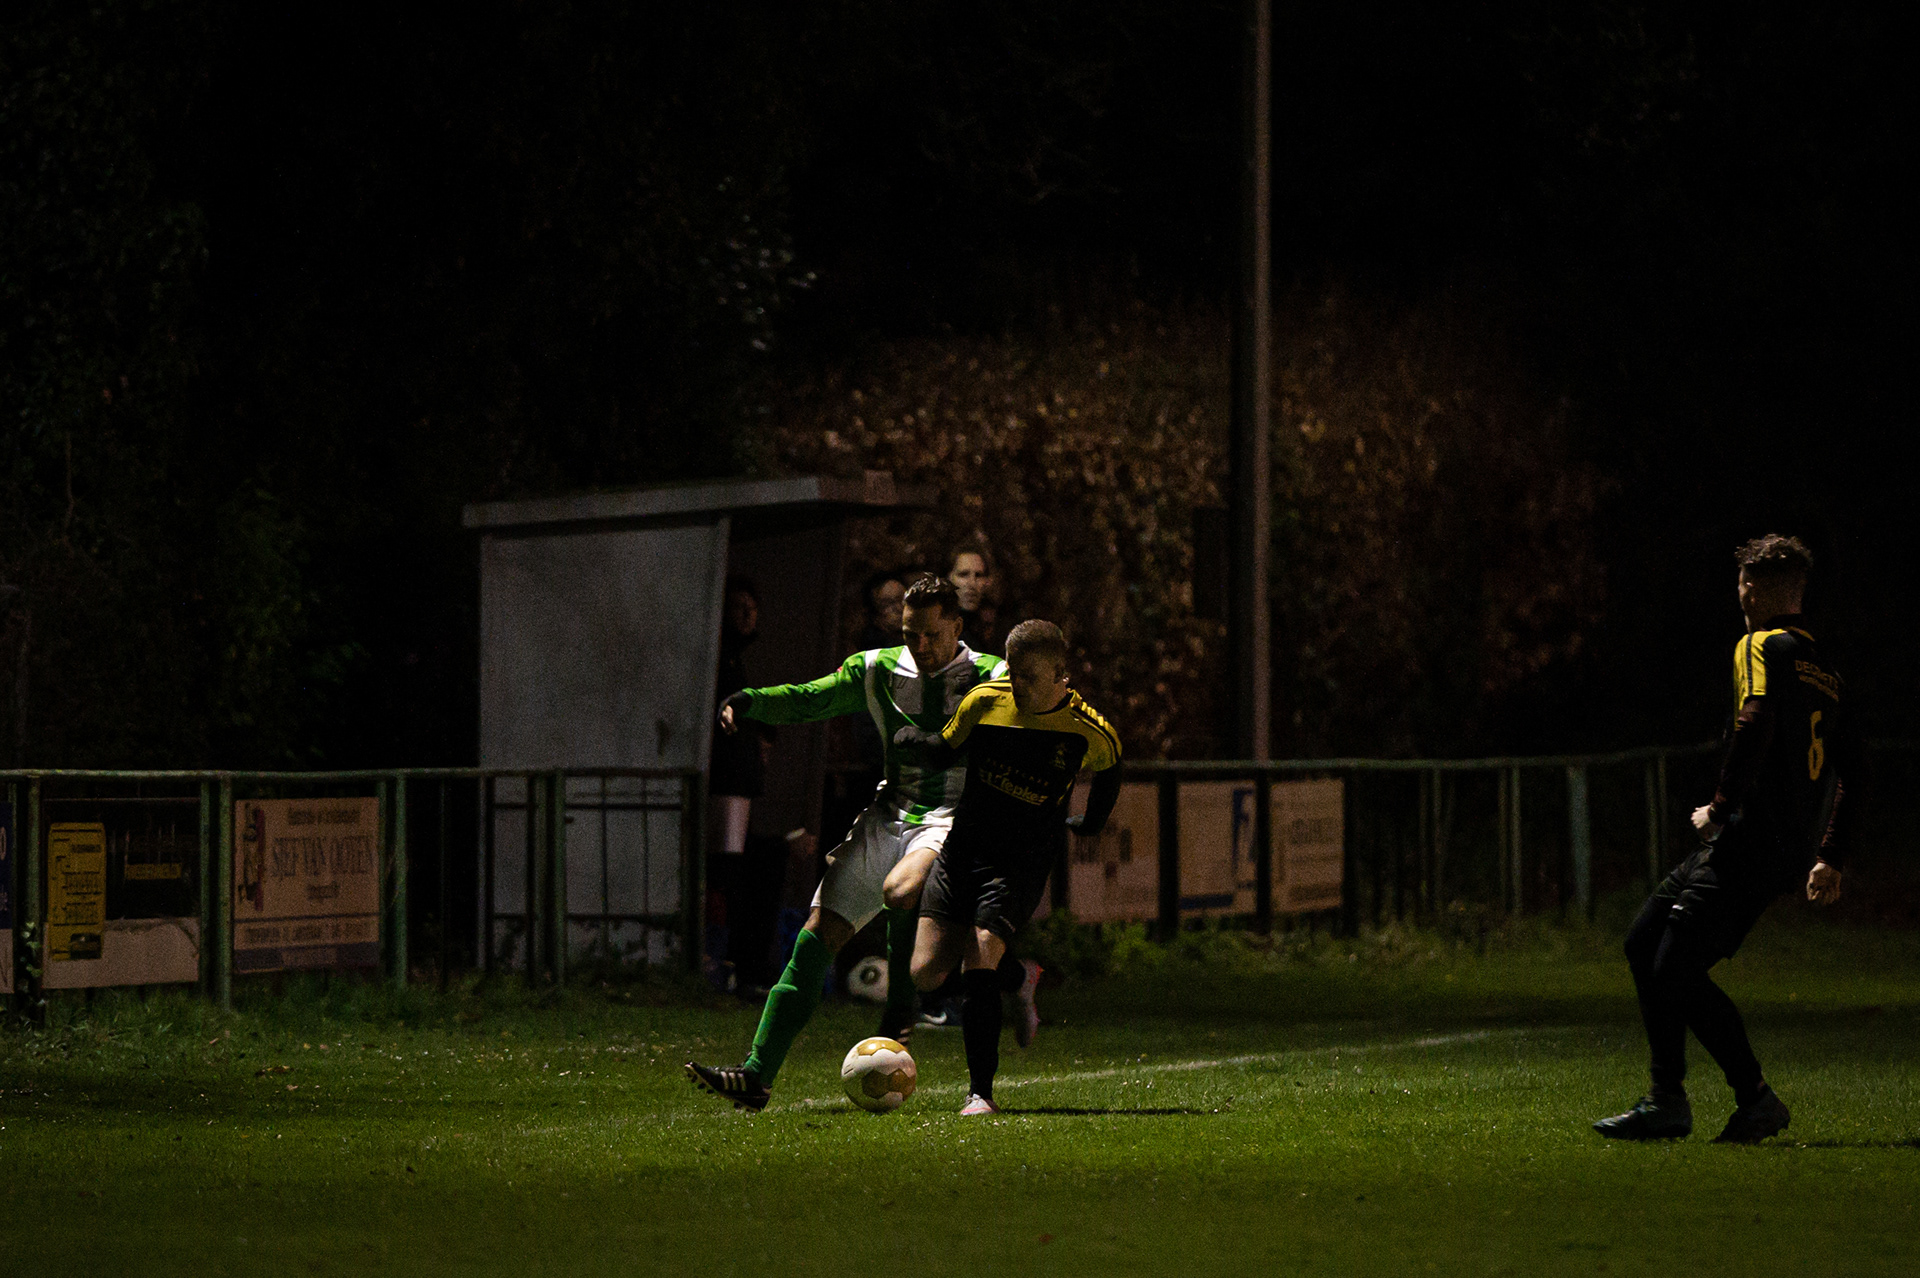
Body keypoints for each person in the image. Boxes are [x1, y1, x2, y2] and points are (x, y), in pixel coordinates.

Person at [685, 575, 1009, 1111]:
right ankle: (756, 1076)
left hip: (951, 818)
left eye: (931, 634)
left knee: (901, 889)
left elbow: (1039, 717)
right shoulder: (876, 668)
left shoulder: (992, 676)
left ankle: (900, 1009)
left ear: (956, 626)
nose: (920, 645)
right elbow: (811, 699)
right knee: (815, 938)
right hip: (889, 814)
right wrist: (750, 701)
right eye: (910, 634)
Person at [1595, 534, 1862, 1144]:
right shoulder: (1829, 673)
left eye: (1742, 583)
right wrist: (1830, 855)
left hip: (1748, 840)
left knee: (1674, 965)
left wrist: (1720, 808)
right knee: (1645, 943)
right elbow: (1857, 773)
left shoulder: (1759, 645)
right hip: (1776, 848)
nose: (1738, 595)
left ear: (1754, 589)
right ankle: (1669, 1098)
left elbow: (1755, 719)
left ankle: (1747, 1097)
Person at [897, 619, 1123, 1115]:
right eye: (1012, 672)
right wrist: (916, 740)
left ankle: (981, 1093)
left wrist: (1091, 822)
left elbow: (1110, 774)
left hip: (1020, 860)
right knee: (925, 973)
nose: (1016, 684)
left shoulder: (1087, 729)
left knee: (979, 953)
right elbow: (946, 748)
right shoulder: (985, 701)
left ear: (1059, 674)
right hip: (963, 850)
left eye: (1029, 676)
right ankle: (1019, 977)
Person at [707, 576, 772, 990]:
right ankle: (719, 961)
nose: (748, 615)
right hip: (727, 782)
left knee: (736, 868)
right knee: (725, 870)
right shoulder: (722, 660)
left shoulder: (737, 661)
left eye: (753, 608)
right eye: (738, 607)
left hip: (739, 783)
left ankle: (727, 960)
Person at [949, 546, 1002, 656]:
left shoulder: (993, 632)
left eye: (978, 575)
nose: (972, 583)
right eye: (963, 575)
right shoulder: (938, 631)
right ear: (949, 577)